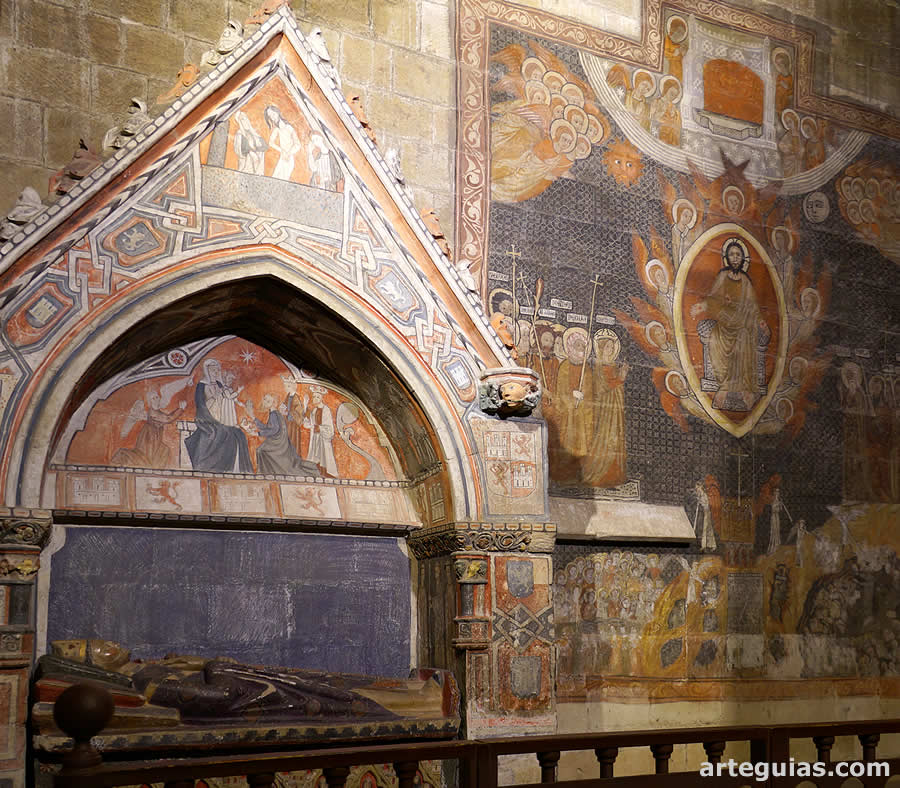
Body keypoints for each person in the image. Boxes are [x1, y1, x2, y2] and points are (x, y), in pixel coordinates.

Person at [42, 639, 456, 726]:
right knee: (339, 697)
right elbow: (219, 696)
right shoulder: (142, 681)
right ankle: (420, 705)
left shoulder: (144, 666)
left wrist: (202, 662)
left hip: (262, 685)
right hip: (265, 698)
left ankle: (414, 693)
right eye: (85, 650)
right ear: (92, 668)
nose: (102, 644)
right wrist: (215, 666)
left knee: (332, 681)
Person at [691, 239, 769, 412]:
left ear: (742, 259)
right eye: (732, 254)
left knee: (744, 337)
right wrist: (702, 306)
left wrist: (761, 322)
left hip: (742, 321)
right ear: (727, 257)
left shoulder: (745, 281)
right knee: (717, 339)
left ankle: (742, 389)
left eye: (738, 255)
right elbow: (713, 298)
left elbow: (752, 307)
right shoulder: (723, 276)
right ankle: (726, 387)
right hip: (725, 321)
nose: (735, 258)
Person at [184, 359, 253, 473]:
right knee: (221, 433)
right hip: (207, 417)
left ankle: (239, 469)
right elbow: (201, 404)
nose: (216, 372)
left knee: (239, 434)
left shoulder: (220, 384)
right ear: (207, 371)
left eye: (217, 370)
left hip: (222, 417)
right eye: (213, 370)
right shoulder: (202, 385)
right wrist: (214, 398)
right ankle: (215, 467)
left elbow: (227, 398)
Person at [582, 330, 629, 487]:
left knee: (615, 441)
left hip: (615, 411)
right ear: (601, 349)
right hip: (603, 412)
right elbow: (601, 388)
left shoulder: (614, 366)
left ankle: (614, 478)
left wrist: (620, 377)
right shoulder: (598, 367)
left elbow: (618, 389)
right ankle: (596, 475)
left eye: (612, 347)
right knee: (602, 440)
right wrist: (620, 378)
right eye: (608, 347)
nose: (610, 350)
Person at [551, 328, 593, 484]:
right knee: (565, 443)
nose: (580, 350)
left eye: (583, 347)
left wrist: (583, 396)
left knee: (581, 444)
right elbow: (560, 390)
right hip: (567, 414)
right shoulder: (564, 367)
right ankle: (562, 475)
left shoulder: (586, 369)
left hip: (581, 416)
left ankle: (578, 474)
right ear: (570, 348)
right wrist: (571, 396)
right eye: (577, 346)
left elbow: (590, 392)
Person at [246, 393, 320, 476]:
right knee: (260, 450)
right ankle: (268, 472)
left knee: (260, 450)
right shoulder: (274, 413)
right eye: (265, 399)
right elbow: (268, 428)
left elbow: (273, 430)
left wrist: (258, 433)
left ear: (273, 403)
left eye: (268, 401)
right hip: (278, 440)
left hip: (278, 443)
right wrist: (254, 419)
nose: (265, 402)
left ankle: (265, 473)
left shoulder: (274, 414)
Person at [302, 385, 338, 477]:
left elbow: (329, 428)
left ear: (321, 398)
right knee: (316, 457)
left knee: (324, 457)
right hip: (316, 438)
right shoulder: (314, 410)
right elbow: (309, 422)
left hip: (323, 438)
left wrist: (319, 428)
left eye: (317, 397)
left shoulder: (326, 410)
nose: (315, 399)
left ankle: (326, 474)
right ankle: (317, 474)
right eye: (314, 396)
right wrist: (305, 405)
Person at [264, 105, 302, 180]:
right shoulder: (277, 129)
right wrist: (282, 150)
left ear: (277, 112)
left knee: (282, 179)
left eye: (273, 114)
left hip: (288, 158)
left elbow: (298, 144)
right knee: (275, 178)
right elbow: (271, 142)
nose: (272, 117)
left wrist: (289, 153)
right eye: (270, 116)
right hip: (283, 157)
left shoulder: (288, 127)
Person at [233, 111, 267, 175]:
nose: (244, 121)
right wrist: (250, 152)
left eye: (245, 118)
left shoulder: (254, 133)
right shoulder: (239, 134)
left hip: (257, 162)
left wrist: (256, 151)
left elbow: (264, 146)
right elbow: (238, 150)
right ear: (239, 122)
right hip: (246, 163)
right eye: (242, 119)